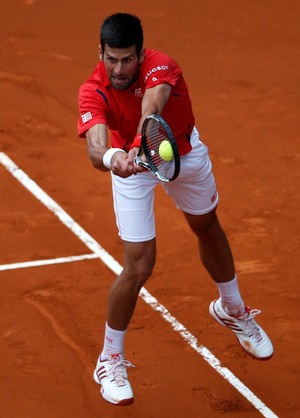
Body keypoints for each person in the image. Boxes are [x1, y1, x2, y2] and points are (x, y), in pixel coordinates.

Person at [77, 13, 273, 406]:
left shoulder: (162, 64)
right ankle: (110, 357)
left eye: (127, 60)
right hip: (132, 169)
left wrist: (139, 141)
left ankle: (232, 309)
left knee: (207, 226)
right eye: (111, 59)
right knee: (139, 264)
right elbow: (96, 150)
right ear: (101, 53)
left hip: (179, 153)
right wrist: (117, 156)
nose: (119, 69)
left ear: (141, 54)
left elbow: (154, 103)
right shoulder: (92, 90)